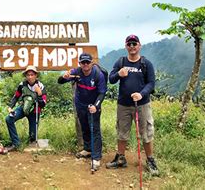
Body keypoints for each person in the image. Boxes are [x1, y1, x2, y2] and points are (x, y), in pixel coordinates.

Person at [106, 34, 159, 175]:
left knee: (146, 132)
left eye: (134, 44)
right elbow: (111, 79)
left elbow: (151, 83)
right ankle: (120, 158)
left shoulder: (146, 64)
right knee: (122, 132)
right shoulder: (121, 61)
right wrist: (119, 74)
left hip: (142, 104)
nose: (132, 47)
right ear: (126, 46)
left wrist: (141, 94)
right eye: (129, 44)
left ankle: (150, 160)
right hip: (123, 104)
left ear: (139, 46)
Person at [58, 53, 107, 171]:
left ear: (91, 63)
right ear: (79, 63)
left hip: (93, 105)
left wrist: (96, 106)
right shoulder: (76, 72)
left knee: (94, 129)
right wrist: (64, 77)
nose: (85, 65)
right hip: (80, 104)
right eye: (83, 62)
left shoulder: (98, 75)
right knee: (84, 127)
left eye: (87, 62)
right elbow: (60, 81)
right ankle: (87, 149)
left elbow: (102, 93)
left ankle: (96, 157)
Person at [5, 65, 47, 151]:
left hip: (35, 111)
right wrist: (10, 107)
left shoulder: (41, 86)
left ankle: (32, 140)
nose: (30, 77)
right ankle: (16, 143)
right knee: (9, 119)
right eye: (28, 75)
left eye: (32, 74)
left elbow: (43, 104)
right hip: (23, 108)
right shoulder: (22, 85)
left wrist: (39, 95)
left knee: (32, 137)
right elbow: (16, 96)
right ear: (26, 76)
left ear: (36, 75)